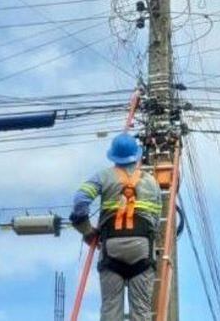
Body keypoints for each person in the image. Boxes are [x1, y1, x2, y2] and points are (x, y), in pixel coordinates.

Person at [70, 133, 162, 321]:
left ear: (114, 157)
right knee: (142, 310)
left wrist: (87, 231)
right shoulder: (152, 182)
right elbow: (156, 222)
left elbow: (80, 202)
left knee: (110, 309)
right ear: (136, 157)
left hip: (111, 246)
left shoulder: (103, 176)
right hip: (142, 248)